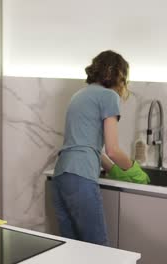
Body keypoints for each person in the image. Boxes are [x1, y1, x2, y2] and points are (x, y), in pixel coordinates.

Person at [51, 50, 148, 246]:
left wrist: (114, 170)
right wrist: (134, 170)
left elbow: (87, 145)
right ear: (118, 75)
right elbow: (113, 149)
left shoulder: (79, 95)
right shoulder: (108, 96)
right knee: (99, 251)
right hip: (81, 177)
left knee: (71, 250)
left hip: (61, 175)